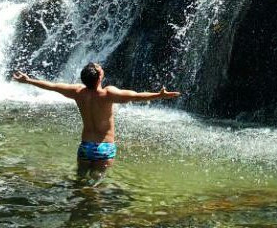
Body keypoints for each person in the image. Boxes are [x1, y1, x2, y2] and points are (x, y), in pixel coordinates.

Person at [12, 62, 180, 170]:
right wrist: (159, 95)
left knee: (80, 182)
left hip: (85, 147)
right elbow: (135, 96)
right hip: (104, 148)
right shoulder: (108, 94)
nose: (101, 68)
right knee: (97, 187)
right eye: (100, 69)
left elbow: (52, 86)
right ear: (100, 77)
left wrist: (28, 81)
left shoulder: (77, 92)